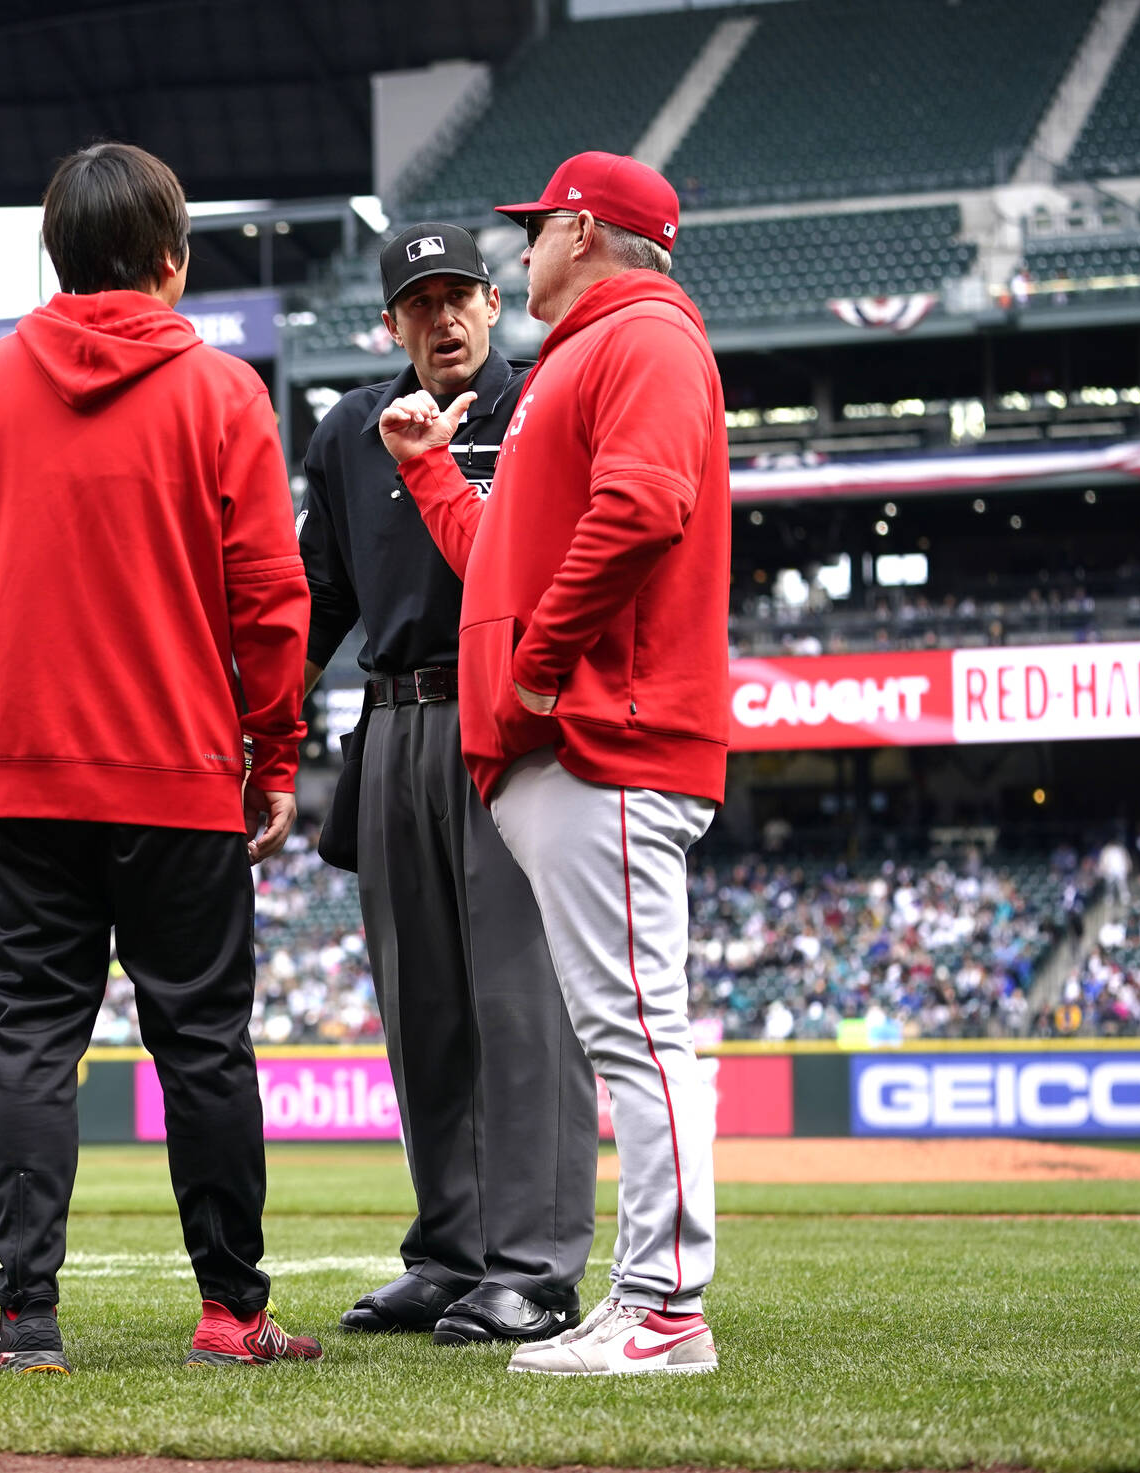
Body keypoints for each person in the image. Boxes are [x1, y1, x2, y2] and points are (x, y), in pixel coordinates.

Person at [0, 141, 316, 1374]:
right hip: (182, 776)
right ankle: (229, 1314)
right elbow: (268, 595)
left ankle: (27, 1319)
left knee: (30, 1038)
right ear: (168, 259)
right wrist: (276, 757)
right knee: (202, 1044)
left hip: (23, 774)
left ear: (56, 255)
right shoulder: (223, 393)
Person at [380, 152, 731, 1377]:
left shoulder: (642, 337)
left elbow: (639, 510)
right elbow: (505, 564)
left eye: (533, 229)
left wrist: (534, 672)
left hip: (602, 734)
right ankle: (648, 1303)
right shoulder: (591, 350)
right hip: (566, 738)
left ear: (582, 230)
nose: (521, 247)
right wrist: (428, 469)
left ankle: (665, 1310)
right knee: (622, 1027)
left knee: (636, 1033)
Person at [299, 222, 596, 1345]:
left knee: (520, 1008)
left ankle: (534, 1264)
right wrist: (258, 729)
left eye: (458, 294)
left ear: (491, 299)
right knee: (419, 1009)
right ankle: (451, 1253)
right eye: (417, 302)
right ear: (391, 323)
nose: (442, 318)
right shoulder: (347, 432)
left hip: (505, 718)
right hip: (390, 727)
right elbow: (317, 602)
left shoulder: (546, 403)